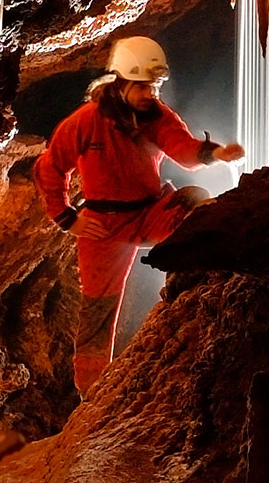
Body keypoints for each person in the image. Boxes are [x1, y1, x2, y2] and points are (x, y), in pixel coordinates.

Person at [33, 35, 245, 397]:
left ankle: (208, 300)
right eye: (145, 86)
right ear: (122, 82)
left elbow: (182, 148)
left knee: (196, 204)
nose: (152, 94)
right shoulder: (87, 121)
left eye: (156, 86)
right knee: (98, 312)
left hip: (149, 212)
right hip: (103, 225)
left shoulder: (157, 116)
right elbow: (49, 168)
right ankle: (92, 397)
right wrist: (67, 218)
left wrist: (215, 153)